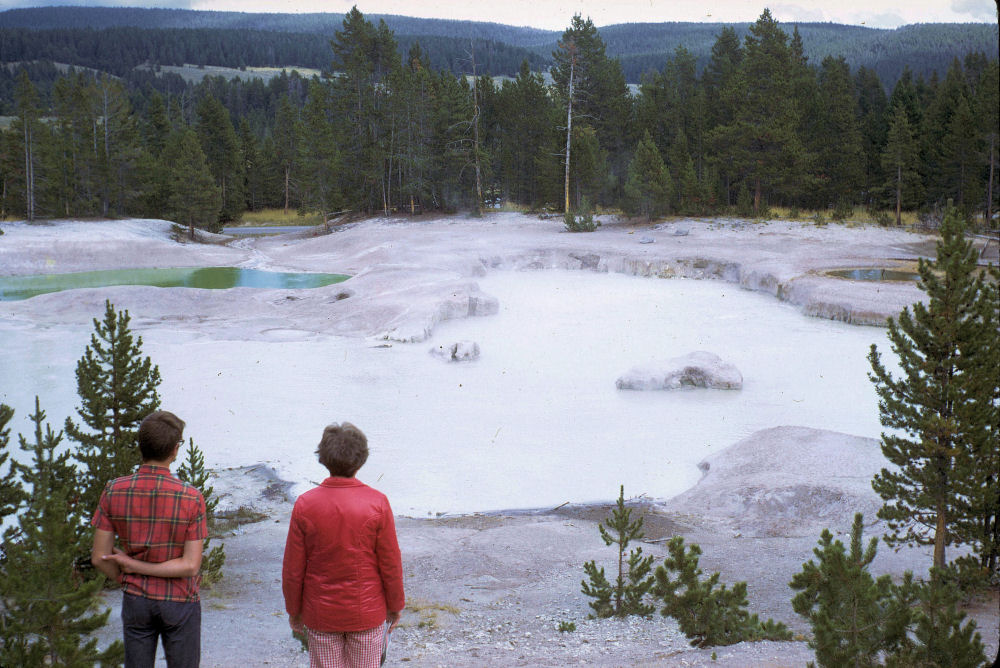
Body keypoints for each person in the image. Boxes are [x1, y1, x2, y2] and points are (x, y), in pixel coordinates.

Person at [282, 422, 405, 668]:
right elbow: (390, 564)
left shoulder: (306, 504)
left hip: (321, 615)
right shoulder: (377, 503)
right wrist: (395, 605)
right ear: (361, 460)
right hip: (367, 614)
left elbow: (293, 569)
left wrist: (294, 610)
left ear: (324, 459)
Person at [91, 410, 207, 668]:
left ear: (141, 447)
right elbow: (190, 565)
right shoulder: (191, 498)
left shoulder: (114, 490)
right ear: (175, 450)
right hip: (180, 601)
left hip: (137, 601)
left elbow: (99, 557)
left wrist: (130, 573)